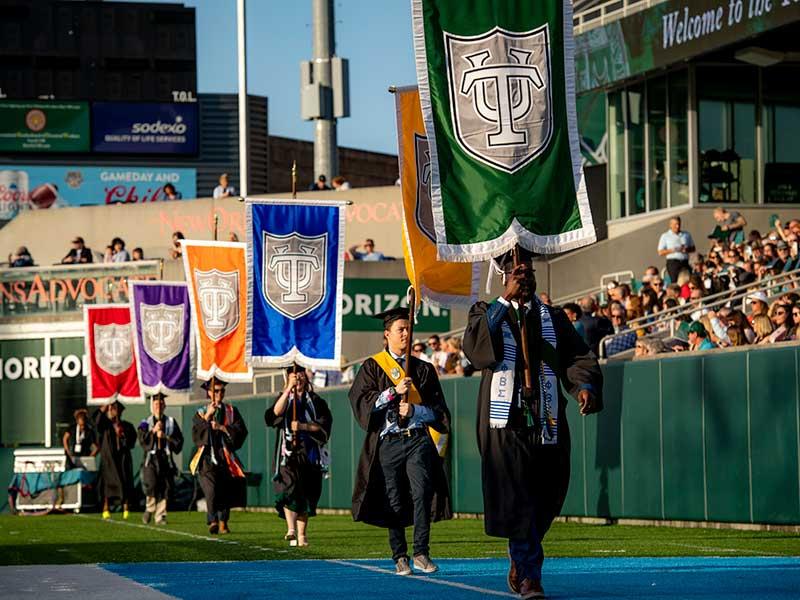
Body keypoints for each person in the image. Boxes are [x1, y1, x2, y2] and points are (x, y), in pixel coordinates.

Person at [462, 249, 602, 599]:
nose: (525, 278)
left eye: (529, 273)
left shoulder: (551, 317)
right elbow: (476, 349)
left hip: (546, 416)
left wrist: (583, 385)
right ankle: (529, 574)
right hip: (505, 421)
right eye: (518, 273)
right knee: (518, 496)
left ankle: (521, 551)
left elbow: (575, 355)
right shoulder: (486, 313)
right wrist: (504, 300)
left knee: (546, 495)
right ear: (505, 276)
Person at [349, 306, 452, 576]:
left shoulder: (425, 369)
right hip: (389, 442)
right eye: (400, 329)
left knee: (422, 493)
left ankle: (421, 552)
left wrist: (416, 410)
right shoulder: (372, 367)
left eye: (408, 329)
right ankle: (400, 555)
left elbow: (440, 411)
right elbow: (360, 401)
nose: (406, 333)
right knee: (393, 499)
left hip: (418, 439)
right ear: (387, 334)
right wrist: (393, 393)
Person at [265, 366, 332, 547]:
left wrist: (303, 427)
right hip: (288, 453)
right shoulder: (285, 398)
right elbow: (273, 415)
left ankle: (302, 535)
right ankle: (291, 529)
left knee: (305, 493)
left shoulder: (316, 401)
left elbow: (323, 426)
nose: (298, 378)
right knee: (289, 488)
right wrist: (288, 389)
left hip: (309, 452)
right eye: (295, 375)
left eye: (301, 374)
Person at [190, 379, 248, 534]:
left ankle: (223, 522)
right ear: (209, 392)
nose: (219, 394)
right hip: (207, 457)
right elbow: (196, 435)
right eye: (215, 391)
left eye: (222, 391)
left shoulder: (231, 411)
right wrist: (207, 417)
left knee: (224, 489)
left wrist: (222, 428)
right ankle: (213, 519)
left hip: (225, 456)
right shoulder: (201, 412)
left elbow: (241, 431)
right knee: (211, 490)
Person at [138, 393, 184, 526]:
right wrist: (153, 431)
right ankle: (150, 507)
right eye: (156, 404)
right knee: (151, 484)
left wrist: (165, 437)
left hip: (165, 458)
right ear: (152, 406)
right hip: (151, 459)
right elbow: (142, 440)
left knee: (165, 487)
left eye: (161, 403)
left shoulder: (171, 422)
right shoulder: (145, 422)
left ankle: (160, 515)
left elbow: (178, 442)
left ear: (165, 405)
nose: (159, 406)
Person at [94, 400, 137, 520]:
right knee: (107, 485)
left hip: (122, 459)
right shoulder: (105, 425)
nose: (114, 412)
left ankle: (126, 508)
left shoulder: (127, 426)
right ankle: (106, 508)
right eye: (112, 409)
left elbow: (131, 442)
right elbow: (96, 423)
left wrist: (122, 434)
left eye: (116, 409)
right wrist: (103, 408)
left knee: (125, 483)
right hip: (109, 460)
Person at [657, 216, 695, 283]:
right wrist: (673, 250)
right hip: (673, 262)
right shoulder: (665, 236)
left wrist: (686, 249)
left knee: (688, 280)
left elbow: (693, 248)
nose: (677, 226)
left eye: (679, 224)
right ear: (670, 225)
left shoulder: (686, 235)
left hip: (685, 262)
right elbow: (660, 252)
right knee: (675, 281)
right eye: (675, 224)